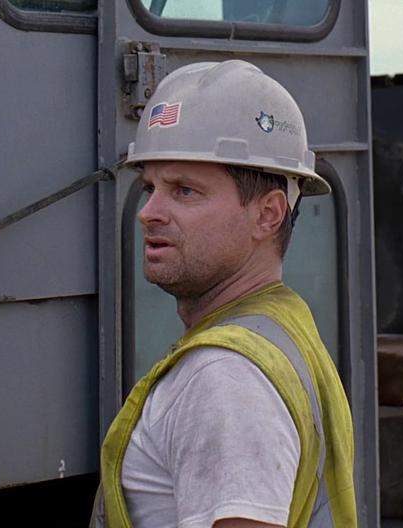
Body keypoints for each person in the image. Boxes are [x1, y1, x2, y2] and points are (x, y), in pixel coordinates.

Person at [92, 60, 357, 528]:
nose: (148, 212)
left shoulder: (225, 377)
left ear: (268, 214)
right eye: (150, 187)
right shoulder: (281, 329)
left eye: (185, 191)